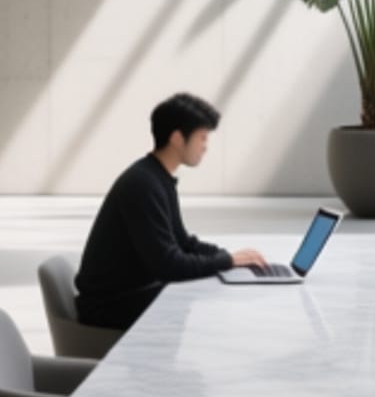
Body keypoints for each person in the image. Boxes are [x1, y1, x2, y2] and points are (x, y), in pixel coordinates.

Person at [75, 92, 267, 331]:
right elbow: (170, 265)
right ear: (177, 139)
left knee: (209, 288)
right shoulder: (143, 184)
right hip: (110, 308)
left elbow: (182, 242)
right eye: (202, 138)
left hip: (130, 296)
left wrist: (229, 257)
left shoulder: (157, 178)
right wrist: (227, 261)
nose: (205, 147)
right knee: (206, 297)